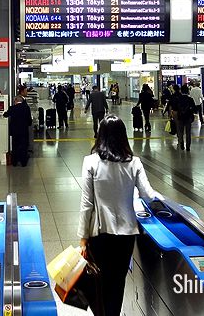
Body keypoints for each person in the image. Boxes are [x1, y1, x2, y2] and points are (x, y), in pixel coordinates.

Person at [77, 115, 162, 316]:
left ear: (101, 136)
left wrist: (82, 238)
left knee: (100, 282)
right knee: (118, 282)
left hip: (99, 234)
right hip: (126, 234)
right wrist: (167, 202)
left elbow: (86, 204)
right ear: (124, 136)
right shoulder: (134, 163)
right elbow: (148, 195)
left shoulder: (90, 162)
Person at [3, 96, 33, 167]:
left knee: (15, 146)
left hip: (15, 131)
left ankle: (14, 162)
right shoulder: (26, 108)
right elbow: (29, 120)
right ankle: (23, 162)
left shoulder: (12, 108)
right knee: (24, 146)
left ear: (15, 101)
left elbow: (5, 115)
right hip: (24, 131)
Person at [173, 85, 196, 151]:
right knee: (188, 132)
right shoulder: (190, 99)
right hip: (188, 117)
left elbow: (175, 109)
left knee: (180, 132)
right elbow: (194, 109)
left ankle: (181, 143)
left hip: (180, 117)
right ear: (188, 91)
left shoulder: (178, 99)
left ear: (181, 91)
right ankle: (188, 146)